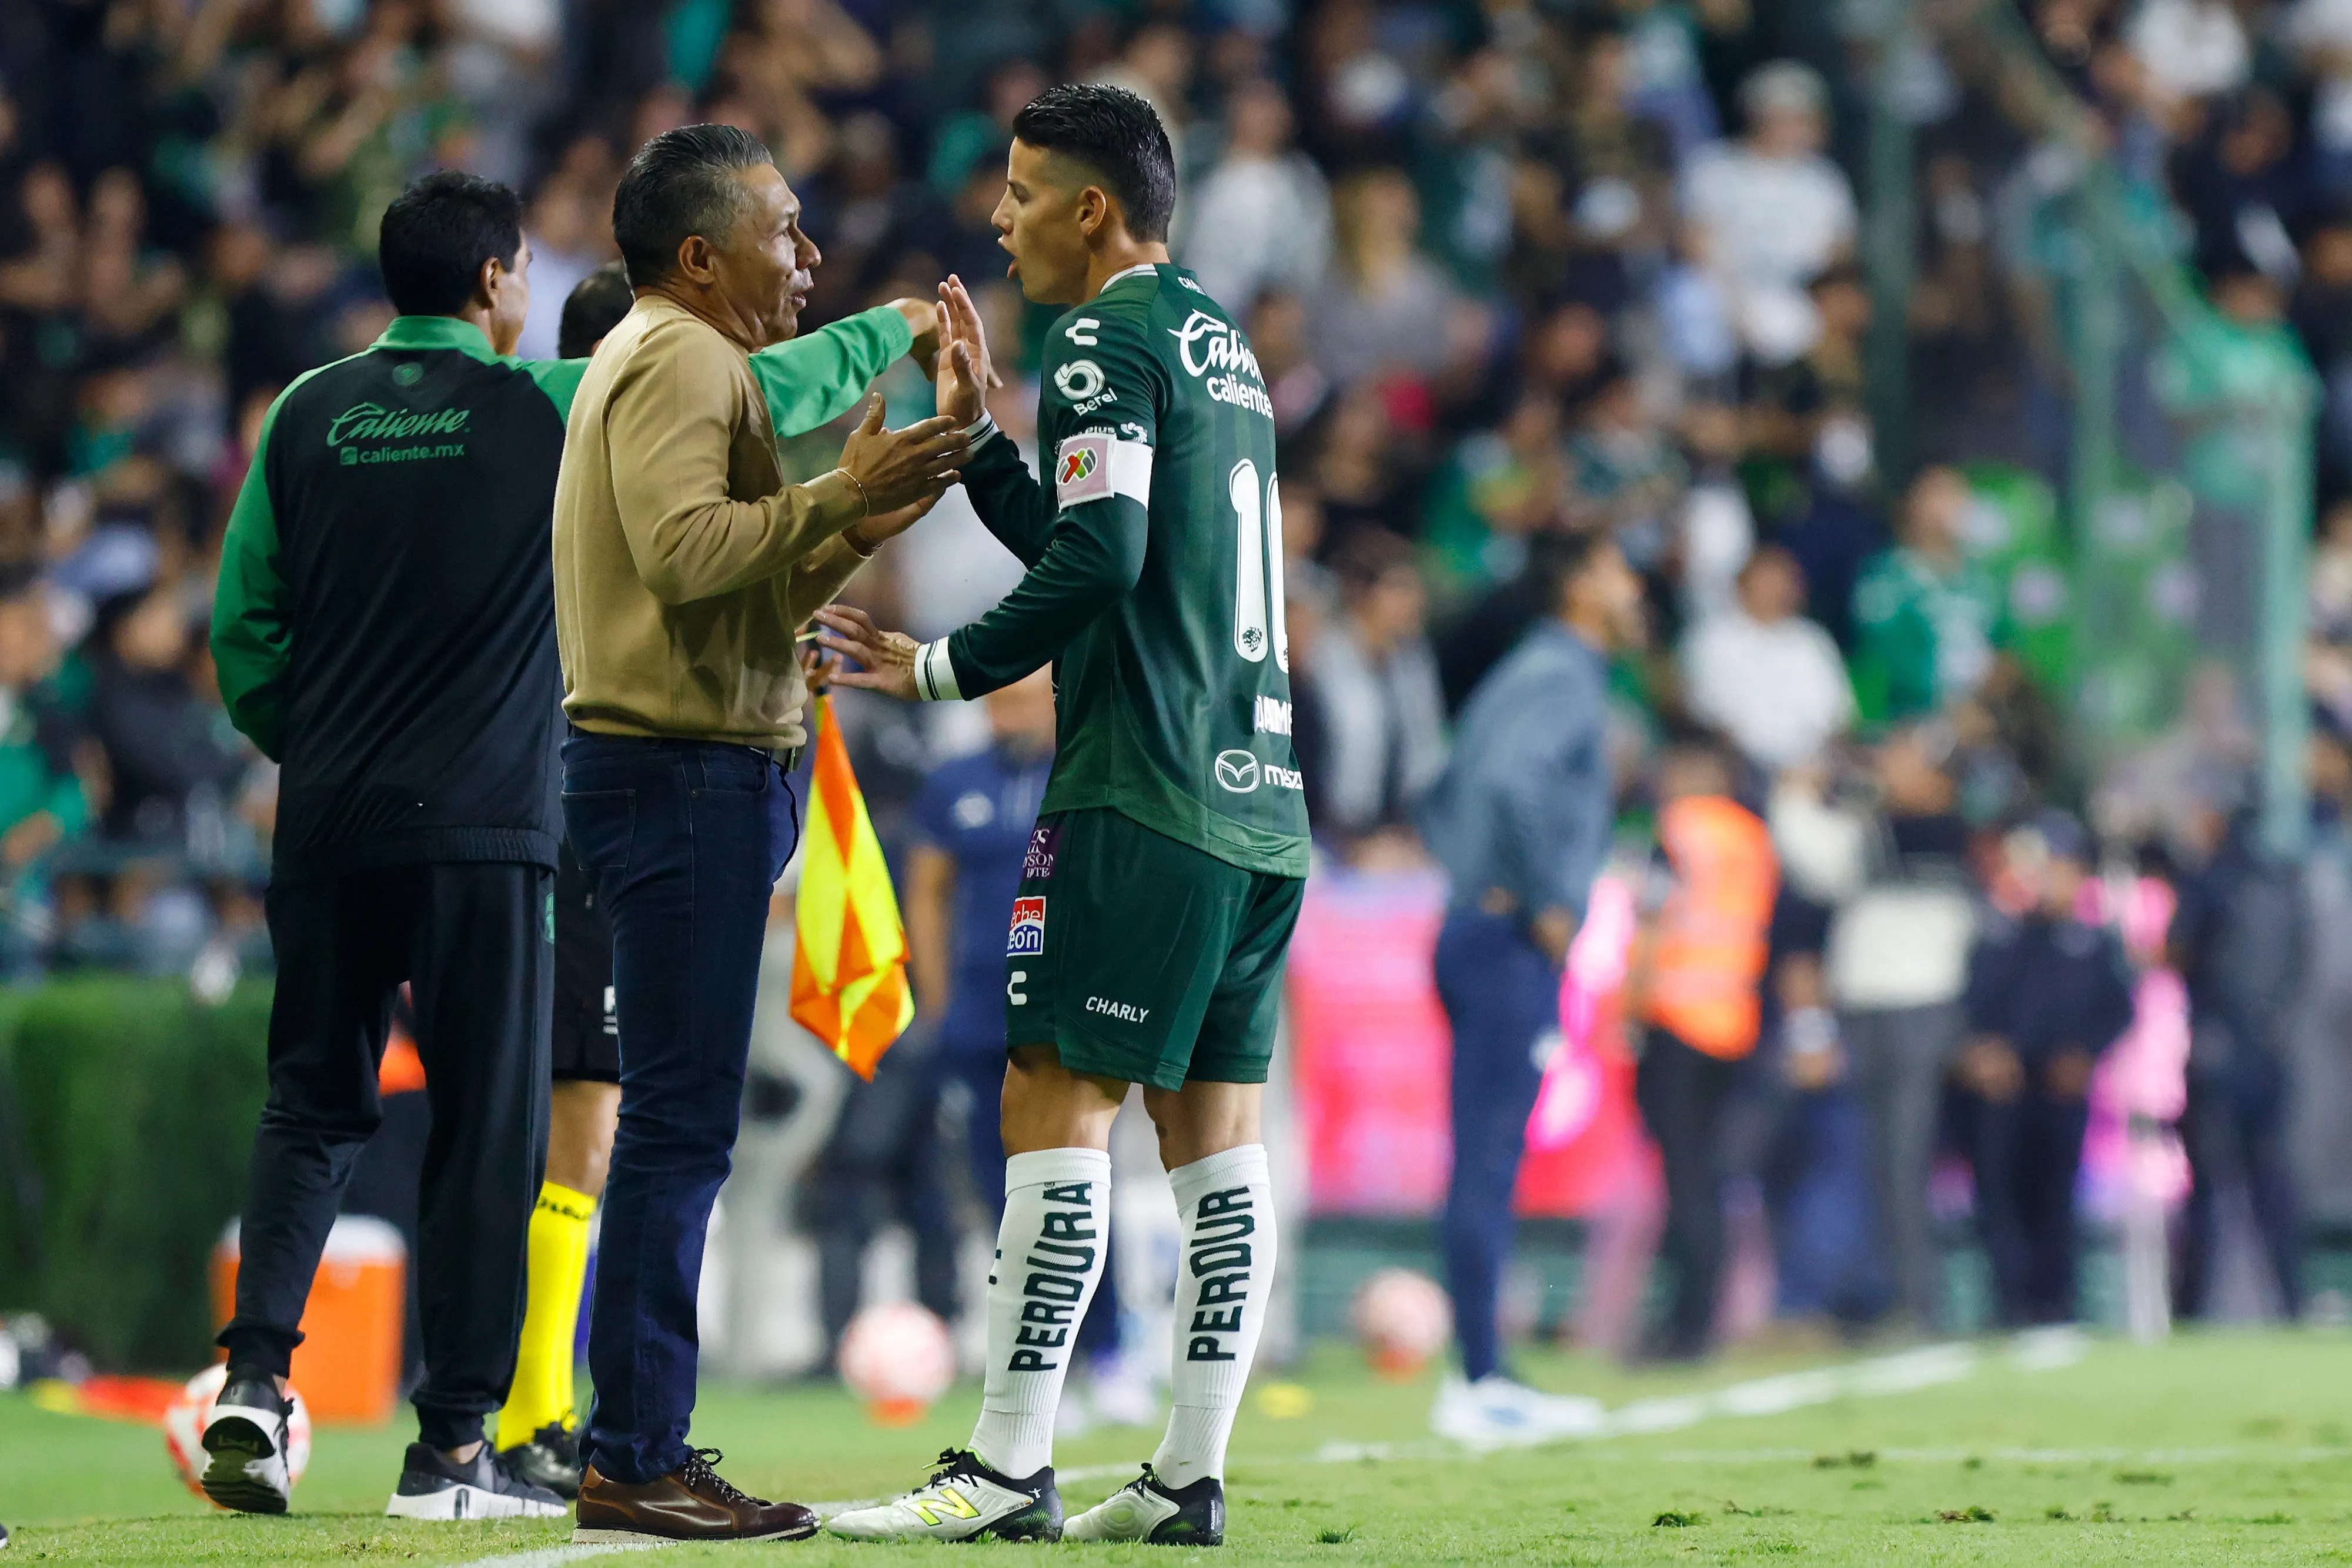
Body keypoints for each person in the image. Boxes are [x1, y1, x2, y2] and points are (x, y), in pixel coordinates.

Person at [203, 166, 949, 1524]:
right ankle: (451, 1454)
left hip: (325, 817)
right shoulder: (550, 399)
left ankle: (252, 1385)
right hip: (486, 822)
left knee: (310, 1102)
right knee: (490, 1127)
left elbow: (243, 633)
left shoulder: (303, 415)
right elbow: (752, 390)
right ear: (500, 284)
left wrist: (306, 749)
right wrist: (894, 323)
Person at [813, 83, 1309, 1546]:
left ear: (1094, 208)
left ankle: (1007, 1463)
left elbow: (1097, 560)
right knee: (1217, 1139)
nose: (999, 217)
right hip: (1255, 804)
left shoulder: (1100, 336)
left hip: (1138, 788)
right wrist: (976, 445)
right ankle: (1186, 1475)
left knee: (1052, 1094)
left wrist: (936, 668)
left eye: (1023, 191)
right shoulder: (1217, 345)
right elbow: (1114, 547)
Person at [552, 124, 968, 1546]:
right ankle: (636, 1454)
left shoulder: (672, 358)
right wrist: (843, 494)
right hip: (677, 776)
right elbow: (683, 555)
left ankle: (635, 1443)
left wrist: (869, 509)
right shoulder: (679, 356)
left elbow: (744, 601)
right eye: (785, 231)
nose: (806, 256)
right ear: (698, 253)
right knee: (678, 1128)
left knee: (678, 1125)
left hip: (685, 767)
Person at [1413, 529, 1641, 1445]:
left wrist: (1474, 878)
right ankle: (1480, 1375)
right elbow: (1508, 780)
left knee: (1486, 1154)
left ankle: (1482, 1367)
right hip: (1507, 938)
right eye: (1622, 568)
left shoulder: (1525, 672)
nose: (1637, 590)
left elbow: (1443, 790)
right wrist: (1539, 895)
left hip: (1480, 925)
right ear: (1582, 579)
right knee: (1490, 1157)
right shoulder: (1563, 673)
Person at [898, 668, 1147, 1424]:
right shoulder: (954, 783)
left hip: (1067, 1015)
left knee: (1081, 1188)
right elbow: (927, 891)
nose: (1004, 714)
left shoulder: (1092, 769)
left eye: (1018, 698)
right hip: (979, 1019)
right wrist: (936, 1003)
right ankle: (1045, 1371)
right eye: (994, 702)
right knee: (1003, 1196)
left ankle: (1108, 1352)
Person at [1768, 724, 1978, 1330]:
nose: (1889, 769)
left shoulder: (1932, 828)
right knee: (1867, 1163)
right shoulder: (1888, 825)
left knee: (1902, 1163)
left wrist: (1798, 795)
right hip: (1868, 1009)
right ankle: (1880, 1298)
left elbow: (1819, 856)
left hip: (1919, 1010)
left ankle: (1917, 1303)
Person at [1623, 741, 1780, 1360]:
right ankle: (1698, 1316)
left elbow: (1655, 920)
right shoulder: (1751, 837)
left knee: (1684, 1180)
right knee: (1707, 1180)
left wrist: (1630, 1011)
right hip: (1733, 1021)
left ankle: (1686, 1326)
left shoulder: (1680, 831)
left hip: (1678, 1017)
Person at [1956, 811, 2136, 1326]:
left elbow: (2116, 1008)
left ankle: (2055, 1301)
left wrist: (2085, 1053)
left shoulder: (2091, 940)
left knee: (2057, 1196)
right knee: (1999, 1194)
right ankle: (2009, 1301)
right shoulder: (1998, 934)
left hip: (2061, 1086)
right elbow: (1972, 1004)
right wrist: (1982, 1050)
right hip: (2002, 1088)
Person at [2169, 797, 2308, 1321]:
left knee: (2206, 1185)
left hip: (2218, 1046)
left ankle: (2191, 1306)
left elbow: (2176, 951)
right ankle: (2291, 1301)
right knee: (2272, 1180)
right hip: (2271, 1050)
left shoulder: (2209, 879)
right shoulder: (2282, 880)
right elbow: (2301, 960)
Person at [1679, 546, 1856, 773]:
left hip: (1812, 767)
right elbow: (1705, 713)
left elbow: (1839, 718)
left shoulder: (1812, 641)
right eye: (1766, 581)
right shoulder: (1711, 640)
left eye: (1783, 581)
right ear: (1743, 584)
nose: (1775, 590)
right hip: (1738, 766)